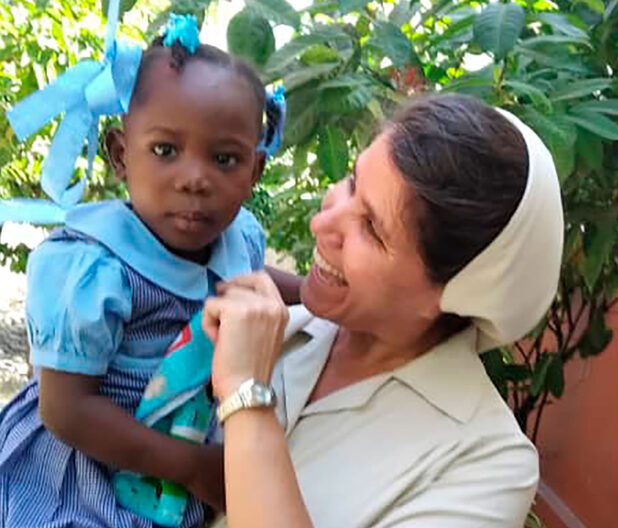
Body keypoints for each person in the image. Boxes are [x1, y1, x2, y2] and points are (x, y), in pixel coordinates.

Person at [203, 94, 565, 528]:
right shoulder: (274, 330)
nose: (321, 224)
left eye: (372, 228)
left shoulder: (484, 465)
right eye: (352, 183)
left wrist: (246, 397)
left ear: (457, 292)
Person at [0, 9, 299, 528]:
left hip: (173, 457)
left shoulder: (238, 237)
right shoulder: (95, 268)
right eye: (165, 150)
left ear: (255, 171)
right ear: (120, 155)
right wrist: (194, 467)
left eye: (224, 159)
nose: (194, 179)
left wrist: (316, 294)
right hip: (80, 469)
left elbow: (245, 279)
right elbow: (67, 411)